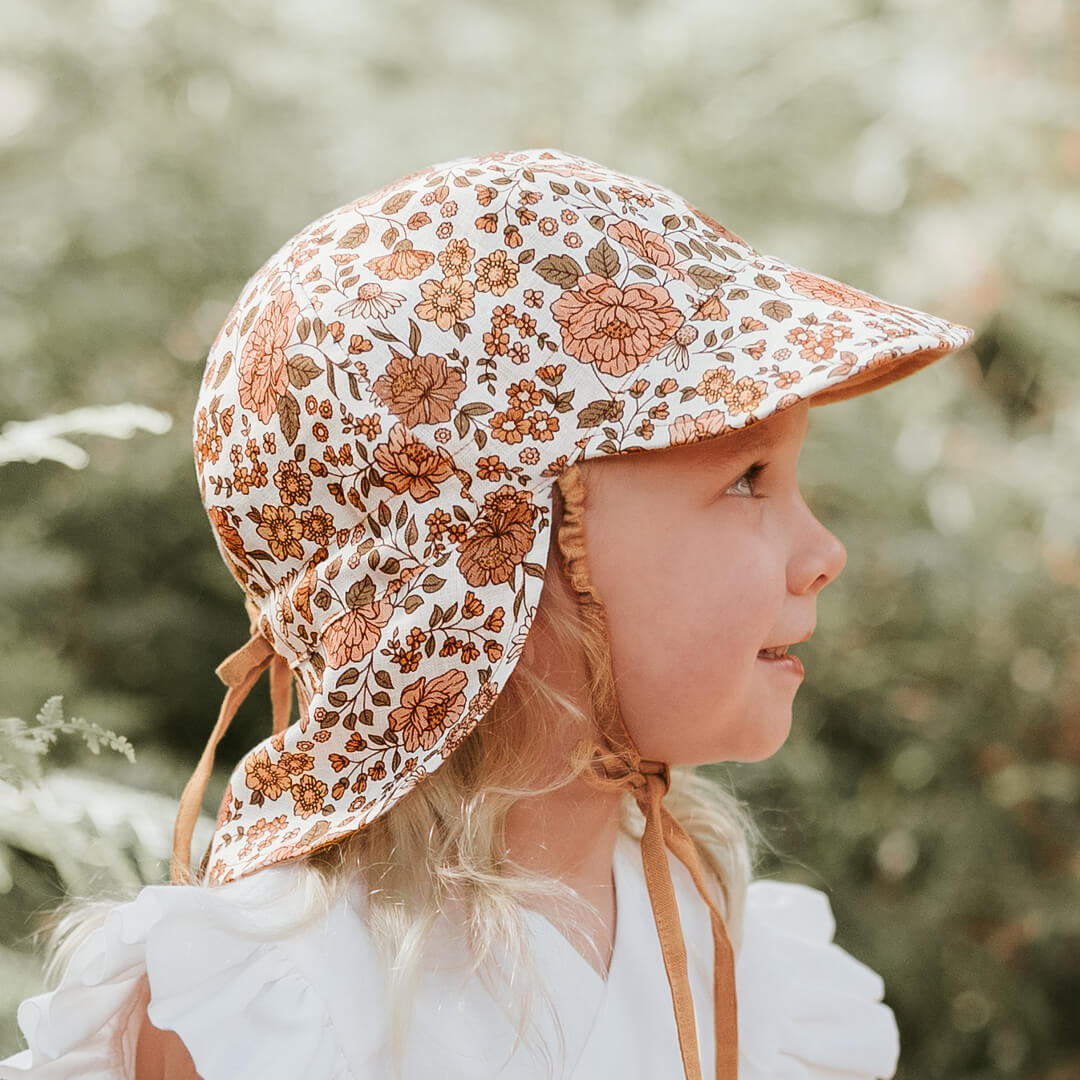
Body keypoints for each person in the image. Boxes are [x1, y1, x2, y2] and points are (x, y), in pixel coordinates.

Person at [0, 146, 974, 1080]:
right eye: (747, 481)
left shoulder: (750, 978)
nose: (824, 553)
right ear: (487, 554)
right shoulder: (276, 1007)